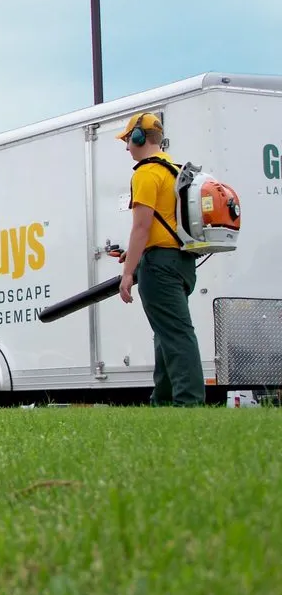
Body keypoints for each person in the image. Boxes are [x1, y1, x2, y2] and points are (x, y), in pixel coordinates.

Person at [115, 112, 205, 407]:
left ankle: (188, 403)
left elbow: (141, 226)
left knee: (177, 334)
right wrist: (134, 252)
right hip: (181, 262)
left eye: (128, 140)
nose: (127, 147)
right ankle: (163, 401)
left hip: (159, 267)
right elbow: (163, 224)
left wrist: (128, 273)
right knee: (165, 333)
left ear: (138, 138)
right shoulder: (173, 169)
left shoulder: (144, 173)